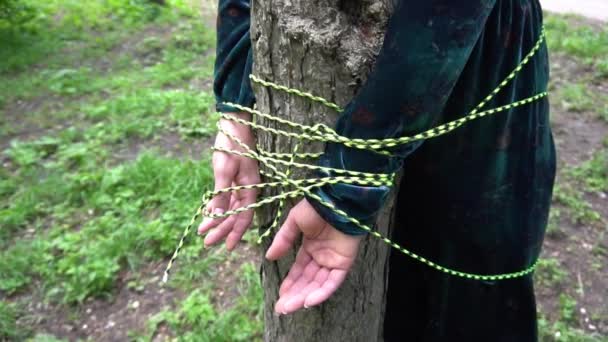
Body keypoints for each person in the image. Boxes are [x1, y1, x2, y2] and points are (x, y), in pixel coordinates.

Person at [198, 0, 556, 340]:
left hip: (475, 68)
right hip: (306, 63)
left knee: (461, 297)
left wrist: (347, 187)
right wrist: (237, 106)